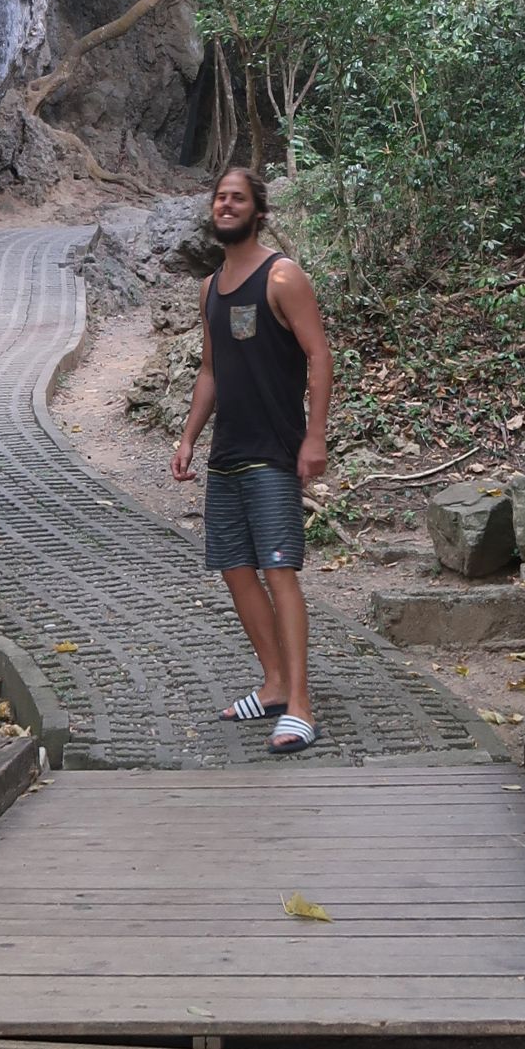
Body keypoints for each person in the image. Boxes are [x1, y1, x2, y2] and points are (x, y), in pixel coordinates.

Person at [171, 163, 333, 756]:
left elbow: (319, 355)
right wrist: (189, 436)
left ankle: (301, 704)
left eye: (237, 198)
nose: (226, 205)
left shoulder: (281, 276)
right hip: (227, 455)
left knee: (279, 570)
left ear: (258, 210)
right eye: (219, 198)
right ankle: (272, 684)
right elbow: (210, 370)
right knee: (237, 570)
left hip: (273, 451)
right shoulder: (211, 287)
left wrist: (314, 438)